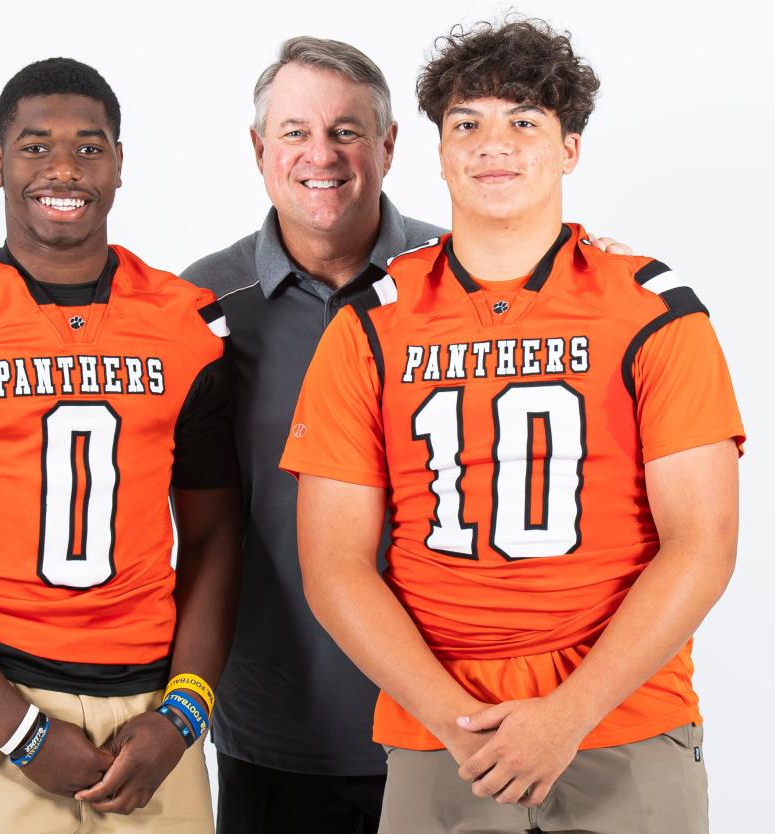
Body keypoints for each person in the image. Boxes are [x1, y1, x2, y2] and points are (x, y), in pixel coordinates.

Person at [281, 18, 744, 834]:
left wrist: (567, 716)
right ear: (438, 148)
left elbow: (702, 541)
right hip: (440, 729)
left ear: (569, 147)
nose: (493, 144)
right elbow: (332, 565)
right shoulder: (371, 326)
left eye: (523, 120)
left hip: (624, 718)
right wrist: (458, 725)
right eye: (468, 123)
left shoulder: (650, 310)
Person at [181, 36, 628, 834]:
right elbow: (90, 352)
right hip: (281, 724)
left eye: (348, 131)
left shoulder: (464, 270)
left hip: (468, 723)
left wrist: (606, 257)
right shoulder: (202, 303)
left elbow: (572, 307)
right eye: (294, 132)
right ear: (258, 150)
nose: (322, 155)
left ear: (389, 147)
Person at [0, 57, 240, 834]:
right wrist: (21, 733)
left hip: (151, 717)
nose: (64, 167)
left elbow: (215, 534)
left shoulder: (189, 326)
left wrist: (186, 713)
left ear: (121, 164)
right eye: (35, 146)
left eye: (90, 147)